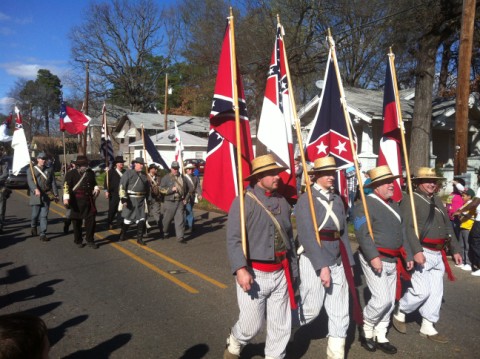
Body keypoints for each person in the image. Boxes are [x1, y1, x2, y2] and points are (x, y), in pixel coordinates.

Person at [223, 154, 297, 359]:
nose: (278, 177)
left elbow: (288, 239)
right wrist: (240, 269)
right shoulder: (243, 202)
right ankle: (236, 339)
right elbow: (234, 239)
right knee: (251, 325)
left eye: (277, 173)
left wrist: (294, 271)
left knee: (281, 325)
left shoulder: (283, 201)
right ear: (259, 177)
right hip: (254, 273)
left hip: (281, 272)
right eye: (272, 173)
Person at [294, 156, 355, 359]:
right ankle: (282, 325)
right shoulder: (306, 200)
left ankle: (335, 354)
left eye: (333, 173)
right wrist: (322, 266)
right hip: (313, 259)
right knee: (311, 309)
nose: (331, 177)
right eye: (327, 173)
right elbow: (307, 236)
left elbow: (343, 233)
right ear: (316, 176)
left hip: (337, 258)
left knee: (340, 310)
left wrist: (350, 264)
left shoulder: (337, 199)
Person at [393, 167, 462, 343]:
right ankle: (401, 310)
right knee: (422, 291)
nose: (432, 184)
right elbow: (407, 228)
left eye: (434, 181)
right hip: (422, 251)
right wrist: (416, 251)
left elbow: (448, 227)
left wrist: (455, 249)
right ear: (417, 183)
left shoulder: (437, 200)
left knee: (436, 292)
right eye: (427, 181)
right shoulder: (410, 200)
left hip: (439, 252)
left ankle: (428, 325)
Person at [354, 165, 414, 354]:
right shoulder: (363, 204)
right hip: (376, 257)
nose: (392, 185)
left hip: (394, 259)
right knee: (381, 300)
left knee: (390, 301)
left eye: (392, 181)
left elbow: (402, 232)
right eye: (387, 182)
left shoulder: (394, 205)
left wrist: (409, 255)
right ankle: (366, 329)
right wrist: (373, 257)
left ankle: (381, 334)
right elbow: (362, 234)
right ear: (377, 185)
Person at [63, 155, 100, 249]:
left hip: (88, 201)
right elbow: (66, 187)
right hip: (76, 201)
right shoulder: (70, 174)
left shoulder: (90, 172)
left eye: (86, 164)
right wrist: (66, 198)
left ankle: (90, 240)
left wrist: (96, 187)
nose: (85, 166)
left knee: (91, 221)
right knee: (77, 222)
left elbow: (94, 183)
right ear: (78, 165)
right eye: (83, 164)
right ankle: (78, 240)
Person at [27, 152, 59, 242]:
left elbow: (53, 182)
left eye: (45, 159)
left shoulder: (49, 170)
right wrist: (34, 189)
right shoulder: (31, 170)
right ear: (37, 159)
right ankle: (33, 226)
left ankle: (43, 233)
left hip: (46, 195)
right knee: (35, 215)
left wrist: (56, 194)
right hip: (36, 195)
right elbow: (30, 181)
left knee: (44, 216)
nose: (43, 160)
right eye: (41, 158)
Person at [118, 157, 149, 246]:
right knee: (128, 219)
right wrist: (123, 198)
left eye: (143, 164)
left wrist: (149, 199)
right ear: (135, 164)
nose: (142, 166)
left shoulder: (144, 175)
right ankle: (122, 234)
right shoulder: (128, 173)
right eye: (140, 164)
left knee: (142, 218)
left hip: (141, 200)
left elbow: (147, 189)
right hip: (131, 199)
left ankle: (139, 238)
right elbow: (122, 186)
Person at [160, 161, 188, 244]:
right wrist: (170, 190)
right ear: (171, 168)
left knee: (180, 220)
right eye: (174, 168)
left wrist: (185, 198)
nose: (175, 170)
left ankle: (180, 237)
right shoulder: (166, 178)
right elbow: (161, 189)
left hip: (179, 201)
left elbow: (186, 189)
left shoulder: (182, 177)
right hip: (169, 201)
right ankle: (165, 232)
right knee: (167, 220)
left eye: (177, 168)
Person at [455, 188, 476, 272]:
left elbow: (471, 215)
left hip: (468, 227)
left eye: (463, 196)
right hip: (463, 226)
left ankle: (469, 263)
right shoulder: (465, 204)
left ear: (469, 196)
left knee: (467, 246)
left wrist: (461, 213)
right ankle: (463, 261)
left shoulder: (472, 204)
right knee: (462, 245)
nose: (462, 197)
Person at [105, 156, 126, 229]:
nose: (122, 165)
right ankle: (109, 222)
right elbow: (106, 182)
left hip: (123, 194)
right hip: (114, 194)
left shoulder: (125, 172)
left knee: (121, 209)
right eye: (120, 163)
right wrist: (106, 191)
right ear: (116, 164)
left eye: (122, 163)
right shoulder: (111, 172)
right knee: (112, 209)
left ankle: (119, 224)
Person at [184, 163, 203, 233]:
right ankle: (190, 226)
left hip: (192, 197)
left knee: (189, 210)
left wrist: (199, 194)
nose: (191, 170)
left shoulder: (195, 177)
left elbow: (198, 186)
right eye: (189, 169)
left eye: (192, 169)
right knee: (189, 212)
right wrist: (185, 199)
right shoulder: (184, 178)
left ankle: (188, 224)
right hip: (186, 197)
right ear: (186, 170)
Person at [146, 163, 163, 236]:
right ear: (150, 169)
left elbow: (161, 186)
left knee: (156, 214)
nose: (156, 170)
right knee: (146, 214)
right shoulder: (146, 177)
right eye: (154, 169)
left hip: (156, 198)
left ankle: (161, 228)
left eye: (156, 169)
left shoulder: (159, 177)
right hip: (147, 198)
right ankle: (145, 229)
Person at [0, 146, 10, 233]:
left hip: (1, 189)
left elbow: (5, 174)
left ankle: (0, 226)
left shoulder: (4, 163)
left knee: (1, 209)